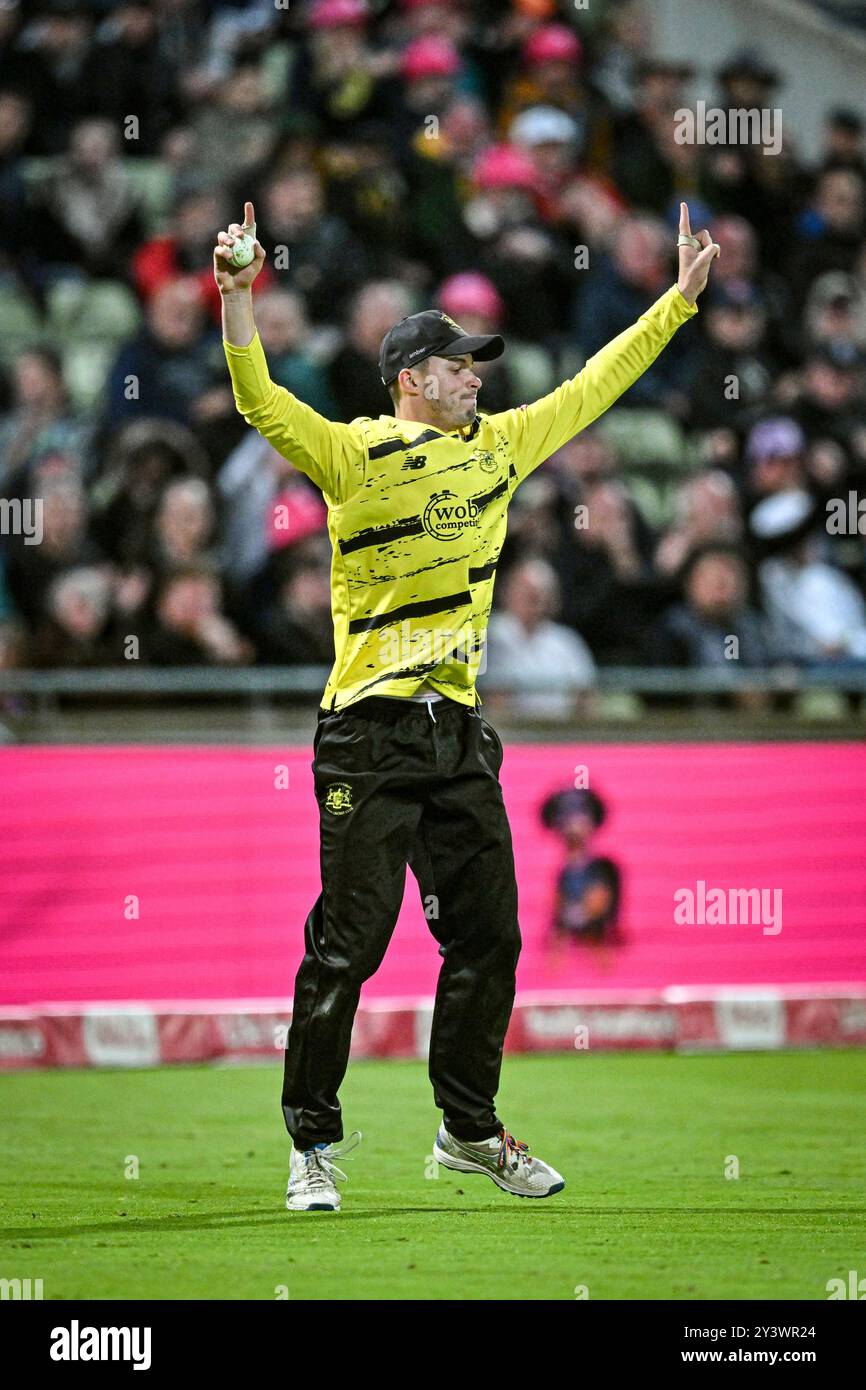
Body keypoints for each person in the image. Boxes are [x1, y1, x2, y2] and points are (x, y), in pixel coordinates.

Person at [216, 198, 719, 1212]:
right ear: (411, 379)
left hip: (456, 735)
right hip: (365, 731)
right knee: (346, 946)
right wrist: (236, 295)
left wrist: (674, 303)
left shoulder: (498, 444)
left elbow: (592, 387)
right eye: (457, 364)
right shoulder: (355, 452)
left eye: (475, 363)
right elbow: (261, 403)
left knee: (488, 938)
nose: (474, 376)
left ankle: (467, 1128)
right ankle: (310, 1143)